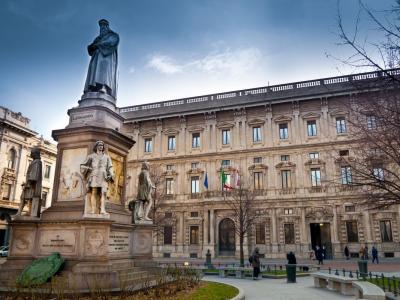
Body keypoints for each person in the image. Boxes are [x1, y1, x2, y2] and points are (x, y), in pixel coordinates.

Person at [84, 19, 119, 98]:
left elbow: (112, 42)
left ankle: (104, 87)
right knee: (93, 68)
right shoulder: (98, 38)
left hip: (107, 57)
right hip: (96, 57)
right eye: (101, 26)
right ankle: (92, 87)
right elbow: (91, 47)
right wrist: (91, 46)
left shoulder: (113, 35)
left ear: (107, 26)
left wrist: (99, 44)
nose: (102, 27)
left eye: (104, 25)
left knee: (104, 70)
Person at [81, 141, 114, 215]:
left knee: (104, 192)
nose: (101, 146)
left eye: (102, 145)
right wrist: (89, 169)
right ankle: (93, 210)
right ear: (96, 146)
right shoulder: (91, 156)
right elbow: (83, 166)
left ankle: (102, 209)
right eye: (99, 145)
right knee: (94, 192)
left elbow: (110, 167)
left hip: (103, 175)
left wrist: (111, 174)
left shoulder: (107, 157)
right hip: (94, 175)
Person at [17, 148, 42, 217]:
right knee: (23, 197)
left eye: (32, 153)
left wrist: (28, 183)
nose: (30, 154)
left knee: (28, 198)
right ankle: (20, 212)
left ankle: (29, 212)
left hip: (31, 185)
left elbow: (34, 175)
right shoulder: (35, 162)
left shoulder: (37, 162)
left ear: (35, 154)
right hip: (29, 183)